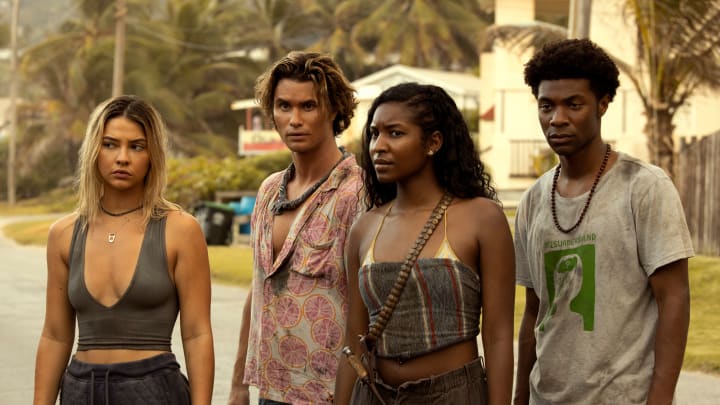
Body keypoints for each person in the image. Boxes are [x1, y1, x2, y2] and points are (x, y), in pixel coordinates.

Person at [514, 38, 694, 404]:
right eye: (546, 105)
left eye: (573, 104)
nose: (557, 118)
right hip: (544, 397)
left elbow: (674, 300)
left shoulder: (644, 187)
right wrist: (520, 398)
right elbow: (534, 312)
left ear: (603, 104)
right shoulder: (532, 199)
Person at [334, 82, 515, 404]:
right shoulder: (365, 227)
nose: (378, 146)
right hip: (375, 393)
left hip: (453, 394)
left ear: (433, 142)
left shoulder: (481, 218)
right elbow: (353, 338)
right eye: (375, 133)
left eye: (395, 133)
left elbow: (499, 336)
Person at [33, 95, 215, 404]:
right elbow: (55, 335)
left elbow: (197, 334)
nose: (122, 158)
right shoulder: (63, 234)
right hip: (80, 389)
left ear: (152, 155)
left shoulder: (180, 230)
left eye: (137, 146)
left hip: (153, 390)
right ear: (94, 150)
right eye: (110, 144)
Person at [227, 51, 363, 405]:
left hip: (333, 393)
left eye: (308, 106)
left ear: (333, 110)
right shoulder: (269, 190)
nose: (295, 119)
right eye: (284, 106)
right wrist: (239, 384)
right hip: (271, 391)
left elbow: (372, 306)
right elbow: (258, 289)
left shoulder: (358, 193)